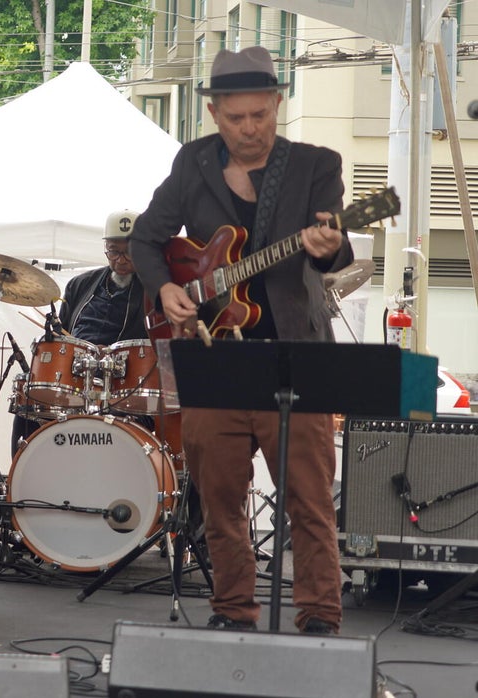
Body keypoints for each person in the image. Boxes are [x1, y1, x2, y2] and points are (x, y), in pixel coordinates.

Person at [129, 46, 352, 635]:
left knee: (309, 498)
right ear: (214, 112)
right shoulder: (192, 163)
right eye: (236, 118)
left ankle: (320, 616)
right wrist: (165, 289)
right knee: (220, 498)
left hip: (294, 356)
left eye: (260, 115)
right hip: (215, 354)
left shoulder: (315, 165)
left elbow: (333, 247)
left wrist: (331, 246)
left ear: (277, 104)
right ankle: (232, 608)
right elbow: (146, 239)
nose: (250, 129)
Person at [10, 209, 148, 457]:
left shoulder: (155, 291)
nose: (121, 260)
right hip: (75, 380)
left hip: (121, 388)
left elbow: (153, 351)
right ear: (105, 248)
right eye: (113, 251)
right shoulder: (80, 285)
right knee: (29, 405)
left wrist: (111, 356)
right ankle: (21, 477)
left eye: (129, 252)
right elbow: (62, 336)